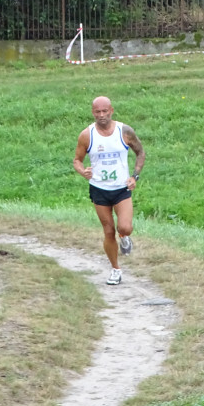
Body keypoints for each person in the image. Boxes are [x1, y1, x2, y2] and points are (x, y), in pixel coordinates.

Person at [73, 96, 146, 285]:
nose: (101, 115)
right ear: (93, 113)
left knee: (125, 227)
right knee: (108, 231)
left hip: (121, 188)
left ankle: (125, 237)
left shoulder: (125, 131)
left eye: (105, 111)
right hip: (99, 188)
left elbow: (140, 152)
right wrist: (83, 171)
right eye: (97, 112)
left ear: (111, 110)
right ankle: (115, 269)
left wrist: (134, 176)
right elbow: (77, 160)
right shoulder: (87, 135)